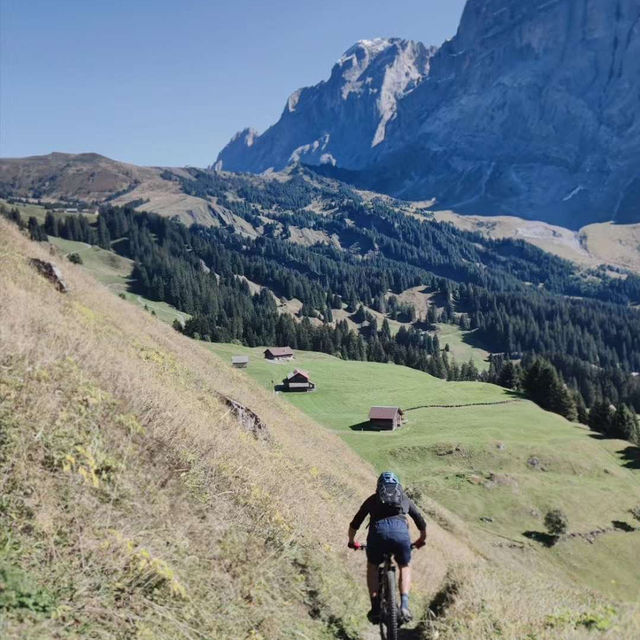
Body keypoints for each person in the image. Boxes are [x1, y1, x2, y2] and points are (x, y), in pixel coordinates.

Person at [348, 471, 427, 624]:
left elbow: (355, 523)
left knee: (372, 565)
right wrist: (420, 539)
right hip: (401, 535)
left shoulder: (373, 499)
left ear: (379, 486)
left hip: (378, 535)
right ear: (397, 486)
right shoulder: (404, 498)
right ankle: (404, 606)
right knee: (404, 566)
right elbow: (420, 521)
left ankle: (375, 608)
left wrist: (352, 541)